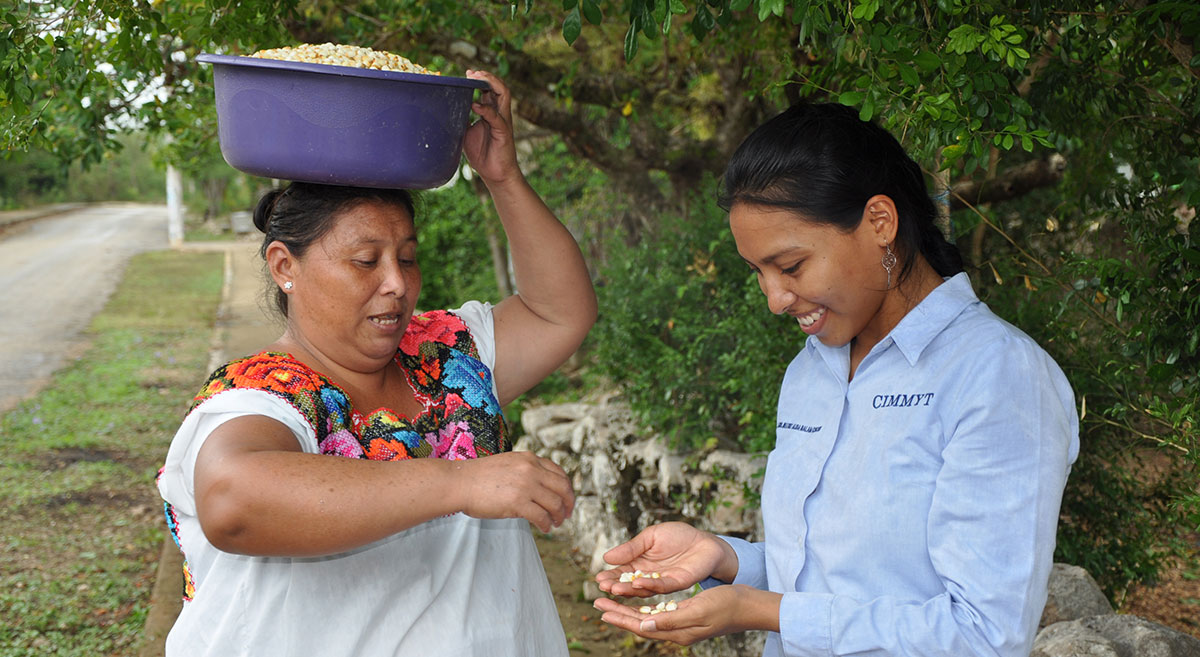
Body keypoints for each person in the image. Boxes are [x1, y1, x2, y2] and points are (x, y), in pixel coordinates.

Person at [592, 102, 1079, 657]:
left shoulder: (998, 375)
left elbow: (983, 635)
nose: (775, 300)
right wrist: (727, 559)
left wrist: (760, 611)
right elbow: (830, 576)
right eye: (759, 273)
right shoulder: (812, 369)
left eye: (792, 267)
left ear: (880, 223)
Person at [156, 71, 597, 656]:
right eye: (366, 261)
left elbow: (560, 312)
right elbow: (233, 501)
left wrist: (503, 178)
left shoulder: (447, 356)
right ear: (285, 266)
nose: (397, 284)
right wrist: (459, 481)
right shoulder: (260, 395)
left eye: (407, 258)